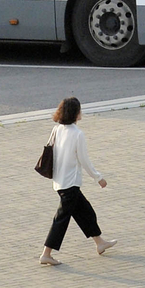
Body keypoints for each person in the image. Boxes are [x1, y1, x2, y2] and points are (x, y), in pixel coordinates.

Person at [38, 96, 114, 266]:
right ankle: (46, 254)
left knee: (85, 212)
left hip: (59, 181)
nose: (82, 113)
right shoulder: (78, 134)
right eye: (80, 110)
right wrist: (98, 178)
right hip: (70, 183)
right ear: (75, 113)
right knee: (61, 219)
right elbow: (84, 160)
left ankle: (100, 243)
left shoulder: (56, 129)